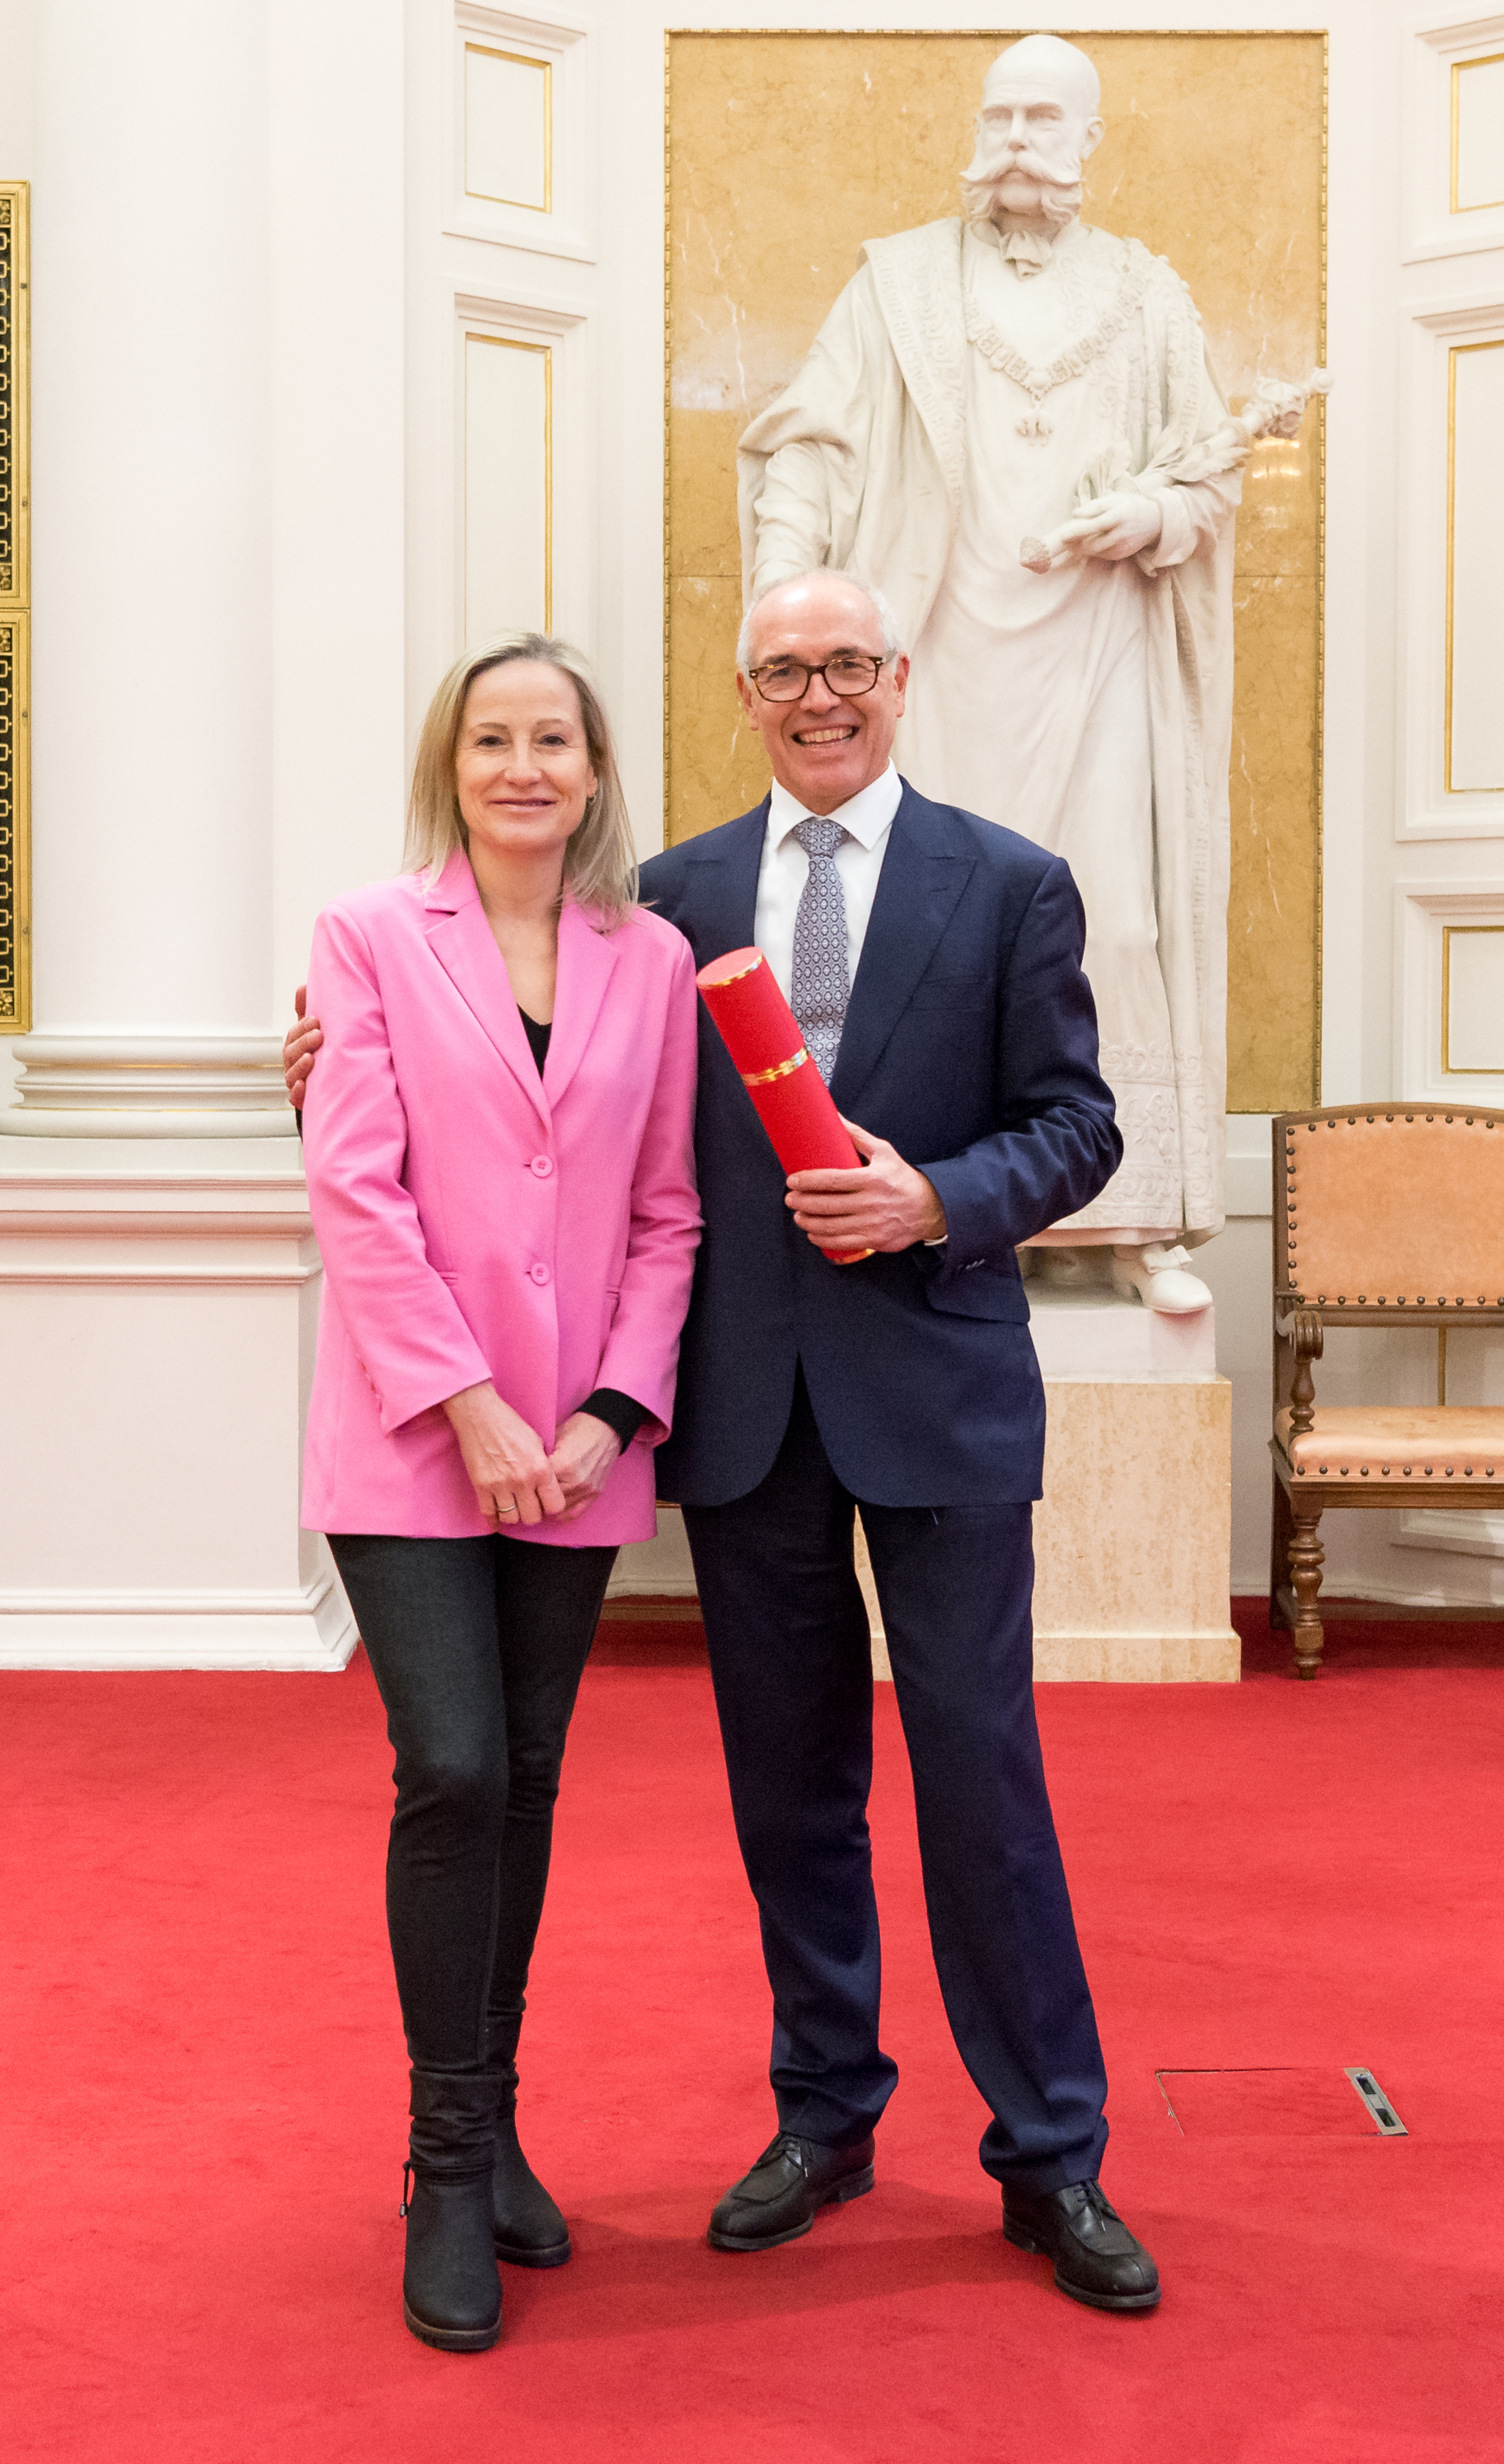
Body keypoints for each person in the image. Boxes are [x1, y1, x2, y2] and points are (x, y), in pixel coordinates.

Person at [288, 571, 1161, 2314]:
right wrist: (304, 1066)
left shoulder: (1009, 883)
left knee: (986, 1790)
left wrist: (937, 1193)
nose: (819, 694)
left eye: (848, 665)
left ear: (900, 682)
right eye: (785, 671)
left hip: (940, 1404)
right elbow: (529, 1098)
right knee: (792, 1795)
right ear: (745, 696)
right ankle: (825, 2115)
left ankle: (1050, 2154)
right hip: (744, 1413)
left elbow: (1082, 1127)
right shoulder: (666, 901)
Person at [298, 632, 700, 2352]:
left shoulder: (657, 956)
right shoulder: (371, 939)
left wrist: (617, 1408)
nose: (524, 766)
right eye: (492, 742)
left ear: (597, 772)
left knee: (529, 1778)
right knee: (451, 1767)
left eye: (553, 740)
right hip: (411, 1437)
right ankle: (446, 2164)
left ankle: (502, 2117)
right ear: (449, 770)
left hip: (582, 1446)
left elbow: (669, 1209)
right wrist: (464, 1405)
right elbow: (358, 1194)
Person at [739, 32, 1249, 1314]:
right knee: (924, 940)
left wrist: (1151, 520)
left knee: (1114, 921)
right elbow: (812, 440)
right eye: (1000, 114)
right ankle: (922, 1198)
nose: (1017, 140)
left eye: (1044, 119)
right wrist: (784, 574)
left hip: (1098, 654)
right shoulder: (899, 285)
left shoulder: (1148, 295)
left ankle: (1133, 1223)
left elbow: (1208, 472)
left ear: (1089, 139)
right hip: (935, 655)